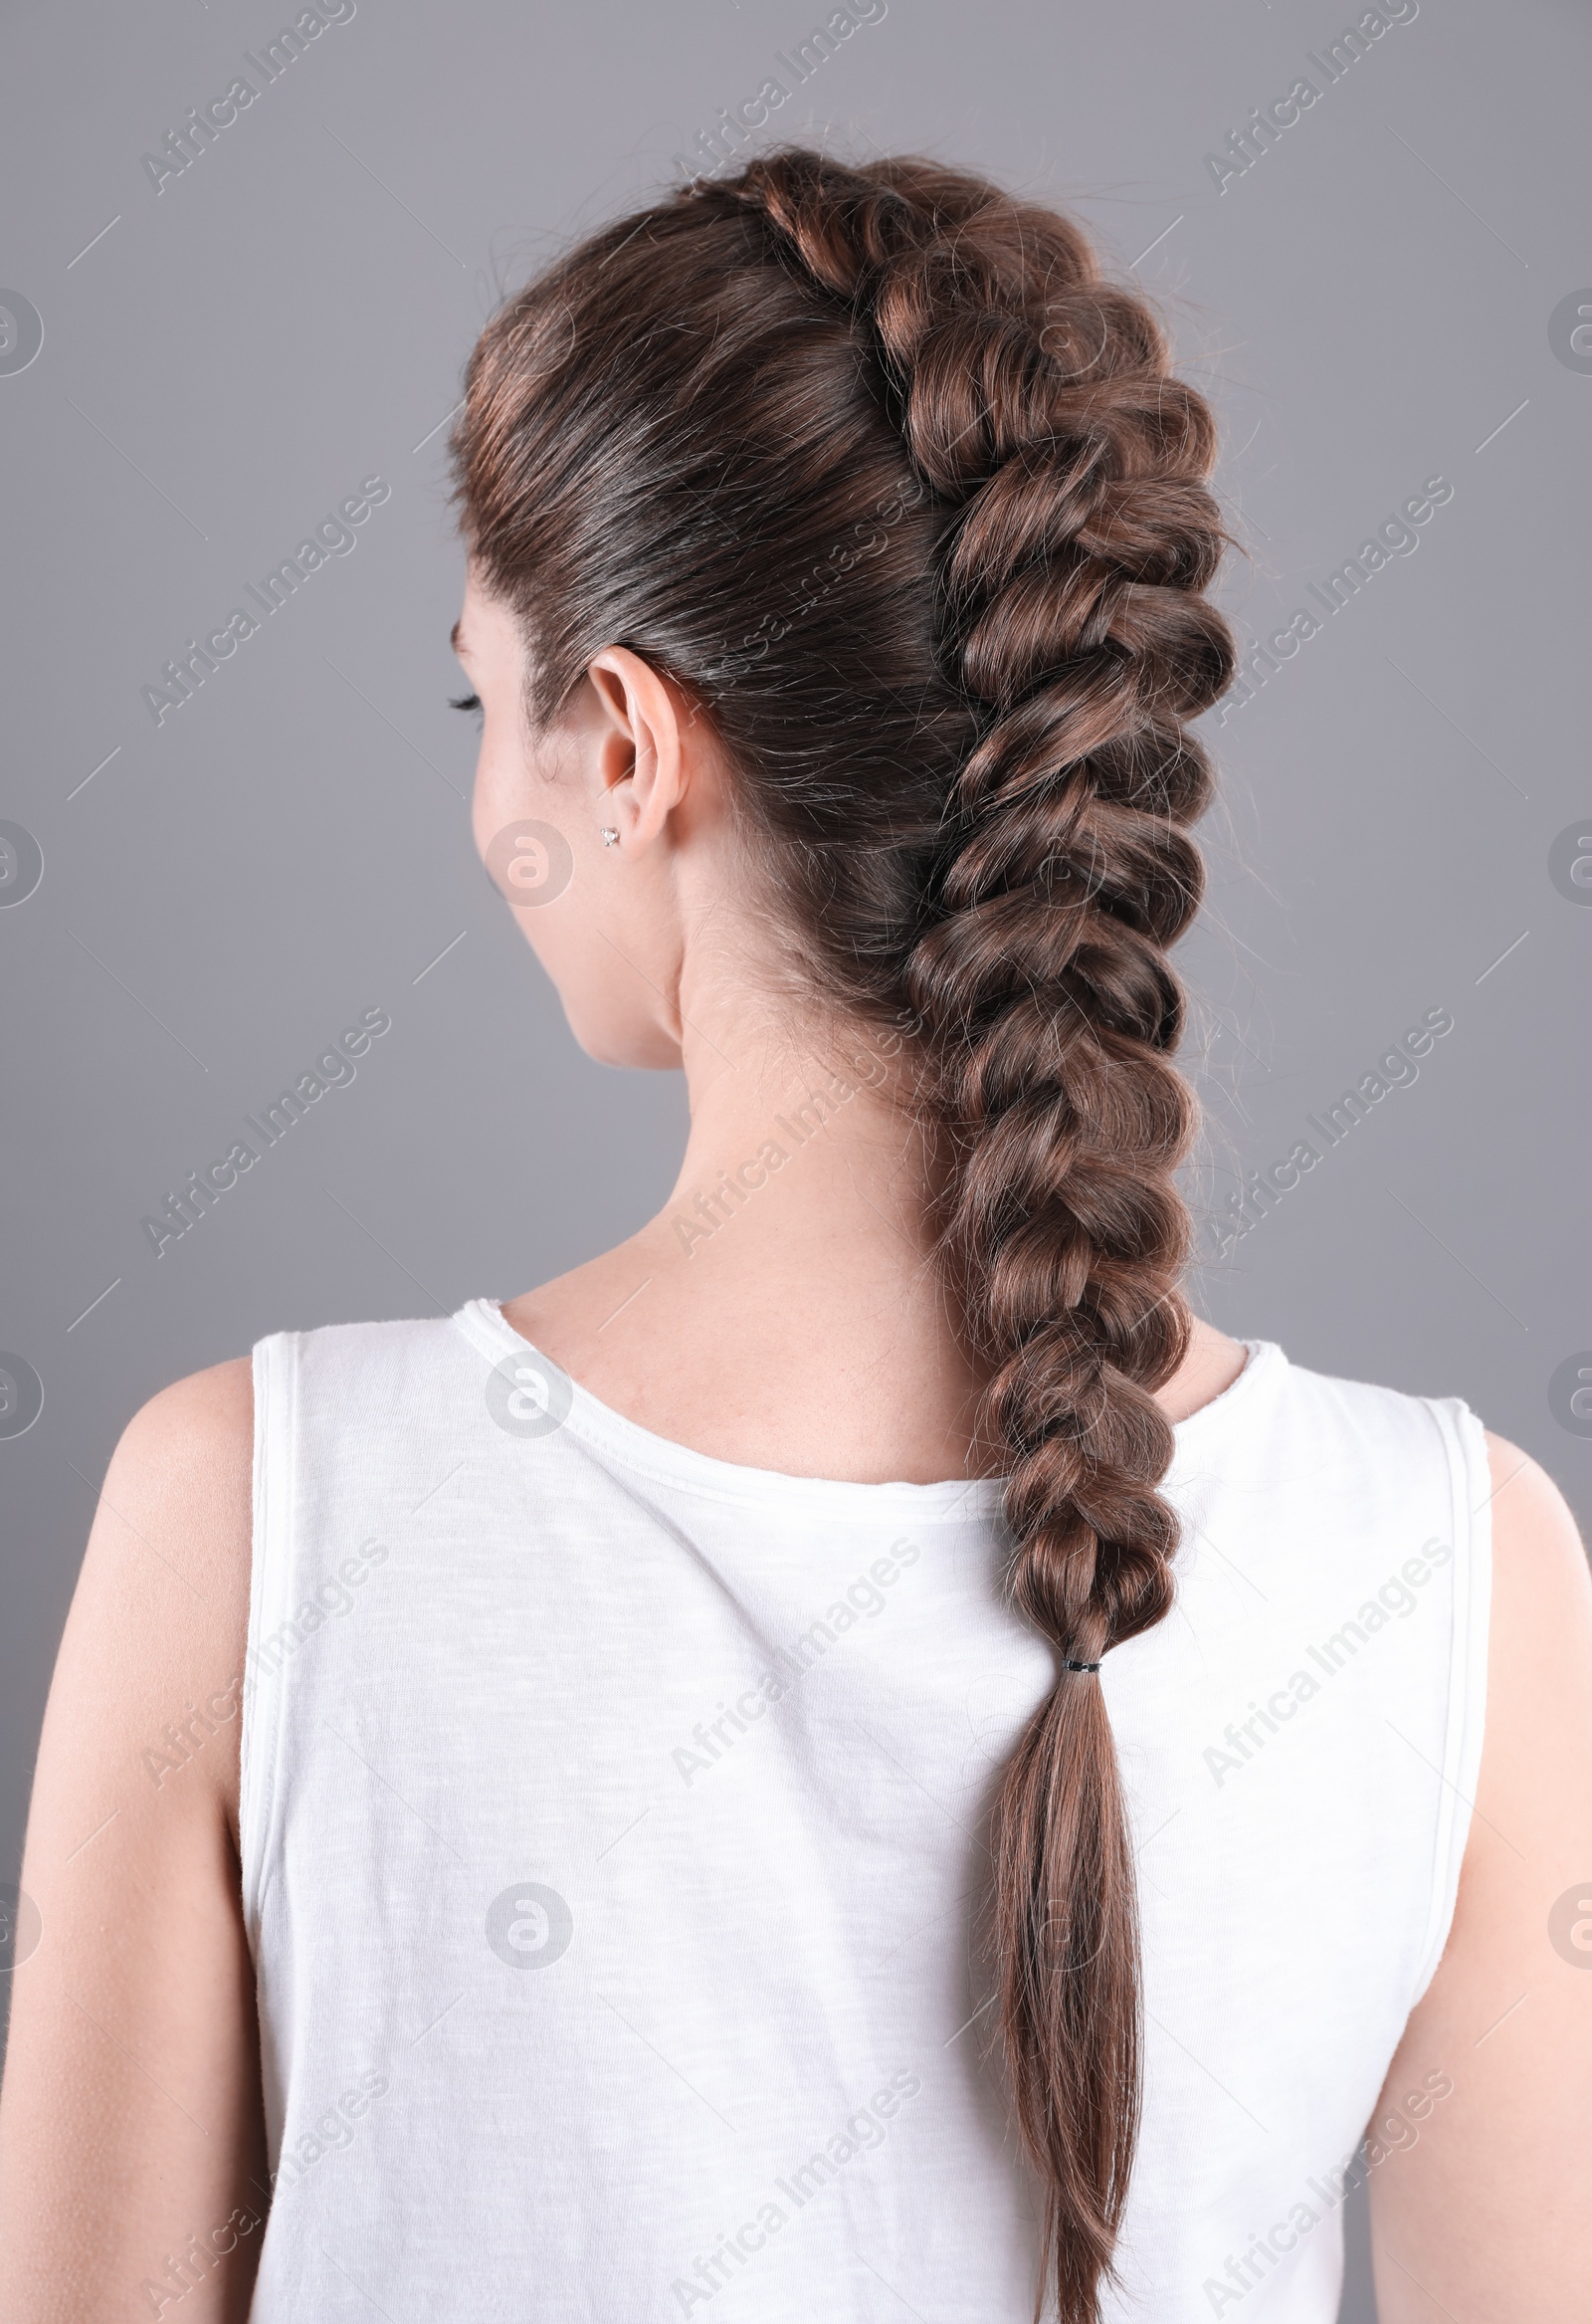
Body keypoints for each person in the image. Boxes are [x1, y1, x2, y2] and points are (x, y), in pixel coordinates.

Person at [0, 147, 1587, 2324]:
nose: (490, 801)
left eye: (488, 704)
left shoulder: (246, 1517)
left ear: (629, 740)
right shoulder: (1459, 1570)